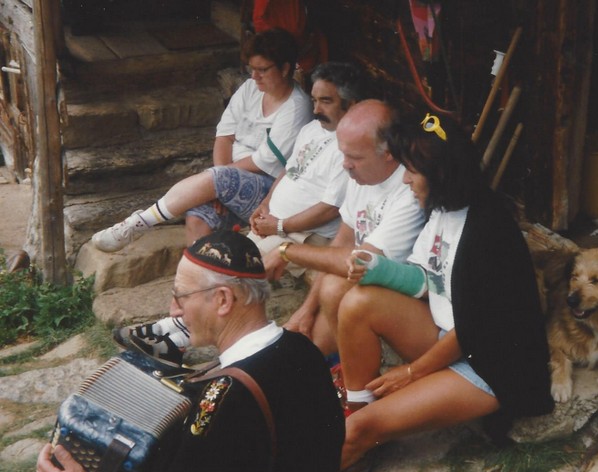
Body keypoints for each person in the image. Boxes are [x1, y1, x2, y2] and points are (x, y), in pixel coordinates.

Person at [36, 230, 345, 472]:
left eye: (181, 296)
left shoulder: (223, 401)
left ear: (223, 300)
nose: (174, 310)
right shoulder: (303, 351)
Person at [334, 111, 555, 472]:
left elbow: (473, 331)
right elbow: (426, 279)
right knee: (358, 301)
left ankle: (351, 441)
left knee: (359, 432)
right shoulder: (441, 209)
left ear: (439, 173)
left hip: (485, 366)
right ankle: (359, 412)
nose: (405, 179)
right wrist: (378, 269)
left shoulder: (487, 230)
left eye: (411, 171)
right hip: (444, 338)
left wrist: (411, 373)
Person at [116, 61, 368, 363]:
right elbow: (288, 172)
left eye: (326, 101)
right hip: (277, 225)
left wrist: (280, 225)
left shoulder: (350, 145)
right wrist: (265, 204)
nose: (315, 109)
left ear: (351, 103)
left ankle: (179, 337)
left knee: (232, 275)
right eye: (314, 100)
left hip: (306, 234)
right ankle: (177, 330)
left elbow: (328, 209)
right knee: (219, 262)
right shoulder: (312, 129)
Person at [91, 28, 312, 253]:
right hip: (228, 177)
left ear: (285, 68)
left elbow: (262, 162)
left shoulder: (296, 107)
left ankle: (140, 222)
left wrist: (220, 179)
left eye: (262, 70)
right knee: (198, 214)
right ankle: (201, 271)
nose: (255, 76)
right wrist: (217, 185)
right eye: (251, 69)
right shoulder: (249, 89)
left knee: (217, 180)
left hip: (269, 191)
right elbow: (224, 136)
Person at [262, 99, 426, 357]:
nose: (345, 164)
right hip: (360, 281)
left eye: (355, 157)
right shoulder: (363, 173)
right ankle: (335, 365)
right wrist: (306, 310)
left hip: (407, 295)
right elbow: (341, 244)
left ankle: (354, 374)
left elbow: (361, 262)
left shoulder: (408, 189)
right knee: (309, 344)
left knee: (334, 288)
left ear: (389, 153)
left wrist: (287, 251)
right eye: (344, 154)